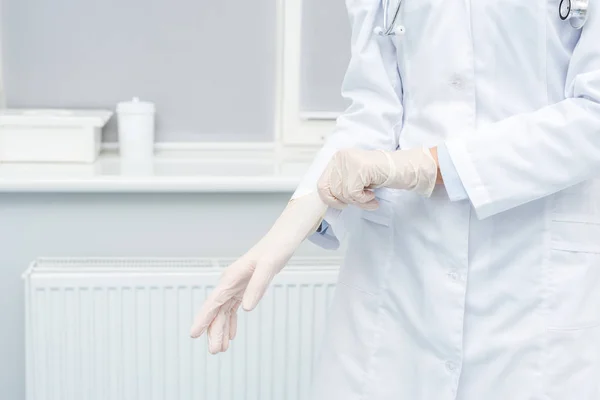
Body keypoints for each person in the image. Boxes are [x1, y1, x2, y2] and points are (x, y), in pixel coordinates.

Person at [191, 0, 600, 398]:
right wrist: (283, 234)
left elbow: (593, 114)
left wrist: (429, 166)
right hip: (402, 271)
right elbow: (374, 107)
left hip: (532, 267)